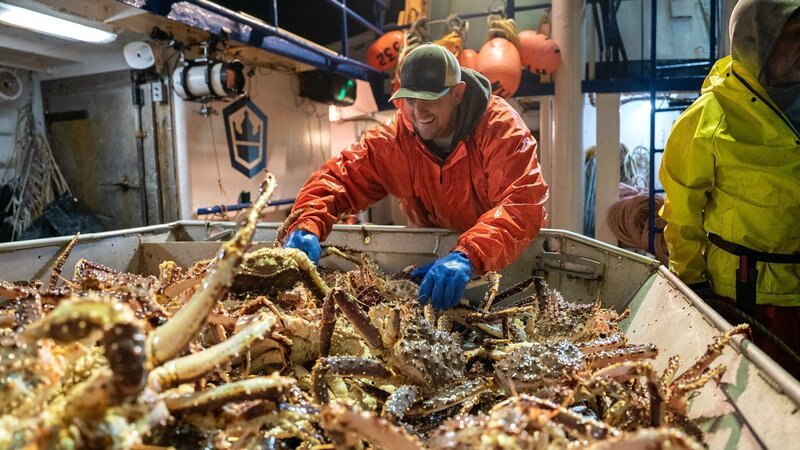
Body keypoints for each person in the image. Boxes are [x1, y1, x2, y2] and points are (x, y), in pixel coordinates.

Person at [284, 43, 548, 311]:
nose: (419, 112)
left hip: (499, 265)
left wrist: (469, 256)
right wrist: (307, 222)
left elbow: (522, 204)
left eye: (430, 99)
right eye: (411, 100)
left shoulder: (500, 128)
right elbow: (340, 178)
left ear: (457, 93)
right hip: (426, 265)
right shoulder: (395, 139)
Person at [659, 0, 800, 377]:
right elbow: (681, 211)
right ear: (758, 43)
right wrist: (693, 285)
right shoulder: (710, 116)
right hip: (746, 299)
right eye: (791, 37)